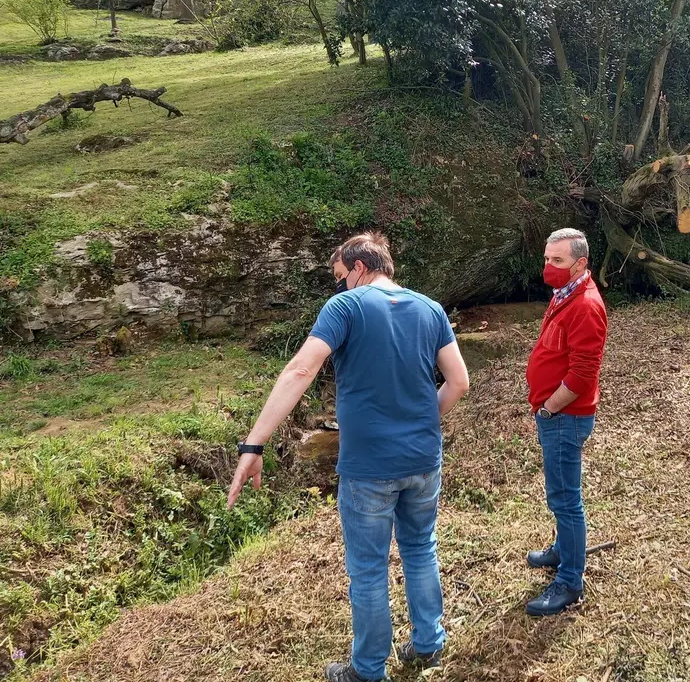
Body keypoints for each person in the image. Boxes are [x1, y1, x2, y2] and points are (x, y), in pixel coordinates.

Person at [227, 232, 470, 682]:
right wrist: (421, 423)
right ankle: (428, 646)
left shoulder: (346, 308)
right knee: (420, 548)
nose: (339, 286)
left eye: (341, 276)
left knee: (369, 568)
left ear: (359, 268)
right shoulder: (430, 309)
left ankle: (368, 670)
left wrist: (254, 443)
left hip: (369, 467)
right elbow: (458, 383)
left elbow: (302, 368)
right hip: (423, 459)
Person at [524, 228, 608, 616]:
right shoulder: (565, 295)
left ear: (580, 263)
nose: (548, 267)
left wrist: (549, 408)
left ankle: (571, 580)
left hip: (564, 417)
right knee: (560, 494)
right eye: (546, 258)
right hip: (557, 415)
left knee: (565, 499)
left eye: (557, 261)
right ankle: (562, 551)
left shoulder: (586, 305)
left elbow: (582, 375)